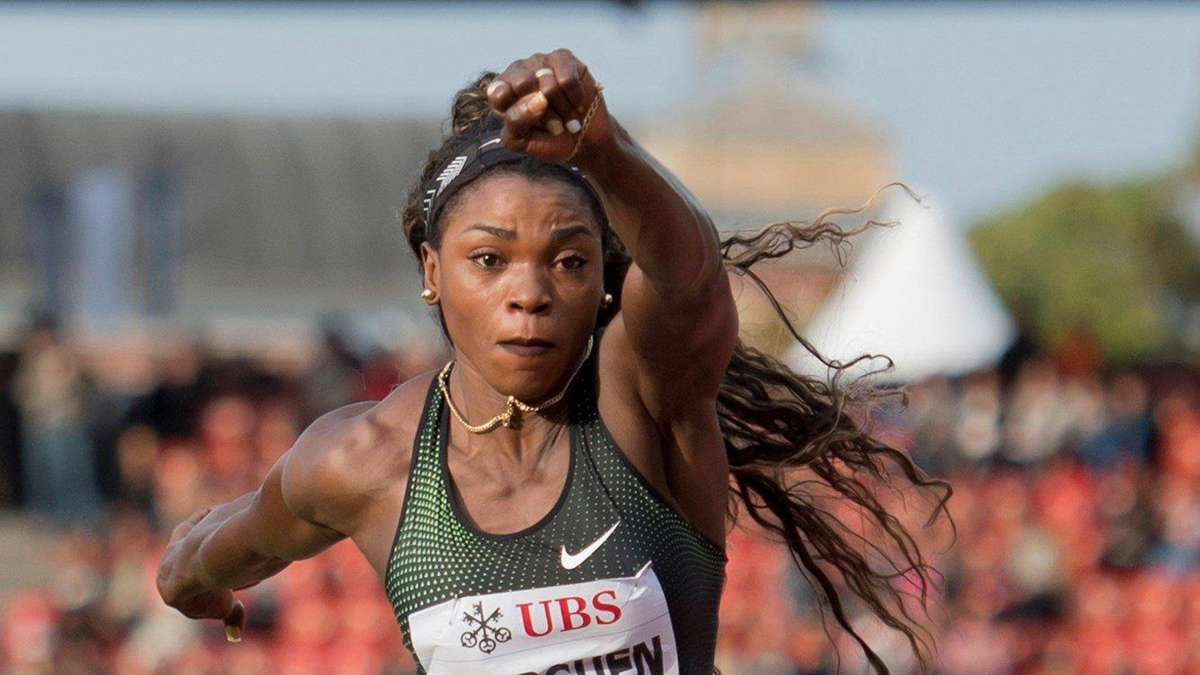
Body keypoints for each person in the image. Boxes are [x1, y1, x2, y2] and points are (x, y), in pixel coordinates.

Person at [157, 49, 951, 675]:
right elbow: (216, 551)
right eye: (489, 259)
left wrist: (607, 152)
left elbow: (690, 277)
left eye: (569, 260)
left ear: (602, 275)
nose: (529, 294)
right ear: (432, 272)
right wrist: (191, 585)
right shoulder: (363, 461)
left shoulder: (646, 400)